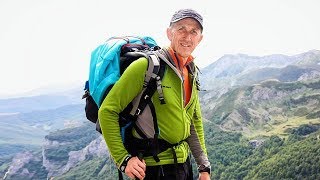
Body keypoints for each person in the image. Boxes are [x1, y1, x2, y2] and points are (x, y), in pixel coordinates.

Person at [99, 8, 211, 180]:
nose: (187, 37)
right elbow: (107, 111)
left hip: (183, 165)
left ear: (200, 39)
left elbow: (193, 121)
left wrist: (204, 167)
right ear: (169, 33)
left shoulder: (191, 70)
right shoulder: (145, 67)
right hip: (152, 169)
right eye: (181, 29)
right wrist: (123, 160)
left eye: (193, 31)